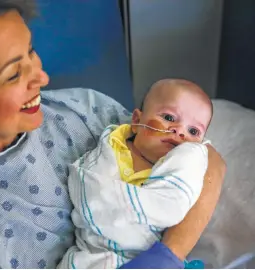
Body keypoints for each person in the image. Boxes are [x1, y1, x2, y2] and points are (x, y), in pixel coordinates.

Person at [0, 0, 226, 268]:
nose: (42, 77)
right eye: (13, 74)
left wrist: (167, 256)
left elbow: (206, 160)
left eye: (30, 52)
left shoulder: (83, 109)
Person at [58, 79, 213, 269]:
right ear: (137, 121)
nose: (180, 131)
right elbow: (88, 190)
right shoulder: (112, 148)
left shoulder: (183, 168)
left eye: (193, 131)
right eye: (169, 118)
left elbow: (171, 205)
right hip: (96, 252)